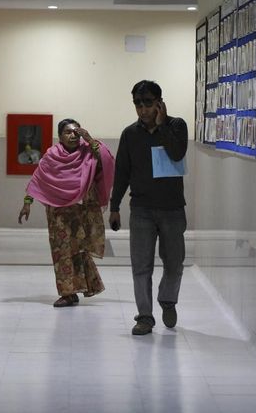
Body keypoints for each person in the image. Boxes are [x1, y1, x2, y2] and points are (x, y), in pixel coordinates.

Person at [109, 80, 188, 335]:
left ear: (159, 103)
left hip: (172, 209)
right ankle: (144, 316)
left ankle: (167, 300)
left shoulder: (177, 126)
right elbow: (122, 172)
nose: (142, 110)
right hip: (141, 209)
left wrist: (162, 124)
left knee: (174, 263)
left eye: (148, 103)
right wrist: (114, 206)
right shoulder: (130, 134)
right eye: (137, 104)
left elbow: (177, 154)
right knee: (141, 265)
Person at [18, 118, 115, 307]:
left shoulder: (87, 152)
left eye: (76, 132)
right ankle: (67, 293)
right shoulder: (51, 156)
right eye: (68, 132)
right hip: (58, 212)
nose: (72, 135)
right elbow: (37, 179)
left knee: (79, 250)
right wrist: (27, 203)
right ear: (59, 136)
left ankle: (87, 286)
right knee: (62, 251)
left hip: (82, 210)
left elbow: (107, 159)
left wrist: (89, 138)